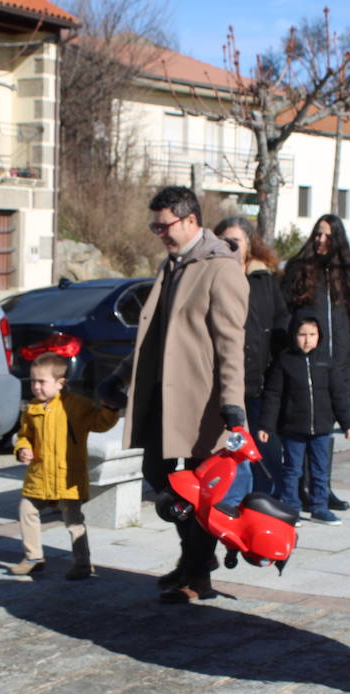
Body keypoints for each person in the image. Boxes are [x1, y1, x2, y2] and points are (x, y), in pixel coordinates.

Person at [99, 186, 248, 604]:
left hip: (203, 407)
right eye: (155, 226)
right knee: (161, 479)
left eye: (163, 226)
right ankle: (193, 559)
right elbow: (153, 339)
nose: (159, 234)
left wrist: (232, 406)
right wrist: (119, 378)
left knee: (196, 493)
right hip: (163, 402)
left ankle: (198, 574)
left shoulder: (221, 269)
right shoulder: (174, 265)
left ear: (190, 221)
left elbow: (231, 345)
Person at [281, 213, 350, 513]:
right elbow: (286, 313)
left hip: (338, 365)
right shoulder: (299, 269)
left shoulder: (346, 274)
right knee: (303, 427)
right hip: (305, 362)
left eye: (327, 235)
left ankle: (322, 489)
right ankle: (300, 489)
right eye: (317, 234)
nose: (321, 240)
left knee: (324, 431)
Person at [10, 353, 119, 580]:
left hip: (68, 478)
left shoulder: (77, 405)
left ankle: (82, 563)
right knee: (26, 510)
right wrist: (22, 448)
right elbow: (24, 435)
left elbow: (99, 423)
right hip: (39, 476)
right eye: (32, 381)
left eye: (42, 382)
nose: (36, 387)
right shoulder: (31, 408)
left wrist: (110, 409)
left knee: (73, 520)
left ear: (61, 383)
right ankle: (33, 557)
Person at [213, 216, 289, 495]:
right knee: (227, 455)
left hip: (259, 383)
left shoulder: (264, 279)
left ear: (249, 246)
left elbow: (282, 318)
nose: (230, 246)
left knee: (263, 450)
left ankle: (263, 505)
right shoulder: (210, 275)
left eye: (237, 241)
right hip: (220, 384)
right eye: (224, 241)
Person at [257, 316, 350, 525]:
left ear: (319, 336)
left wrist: (348, 424)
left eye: (312, 335)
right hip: (293, 428)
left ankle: (319, 507)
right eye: (302, 335)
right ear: (294, 336)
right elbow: (273, 395)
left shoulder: (326, 361)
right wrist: (266, 425)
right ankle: (291, 507)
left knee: (320, 469)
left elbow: (339, 394)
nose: (307, 340)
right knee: (293, 469)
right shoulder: (284, 361)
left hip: (322, 428)